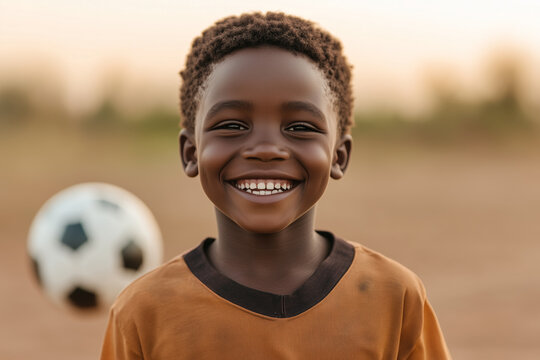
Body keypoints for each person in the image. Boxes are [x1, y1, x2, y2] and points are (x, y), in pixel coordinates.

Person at [100, 12, 451, 359]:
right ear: (190, 152)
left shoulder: (396, 298)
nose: (266, 149)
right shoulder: (143, 312)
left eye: (300, 127)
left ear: (338, 156)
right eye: (233, 125)